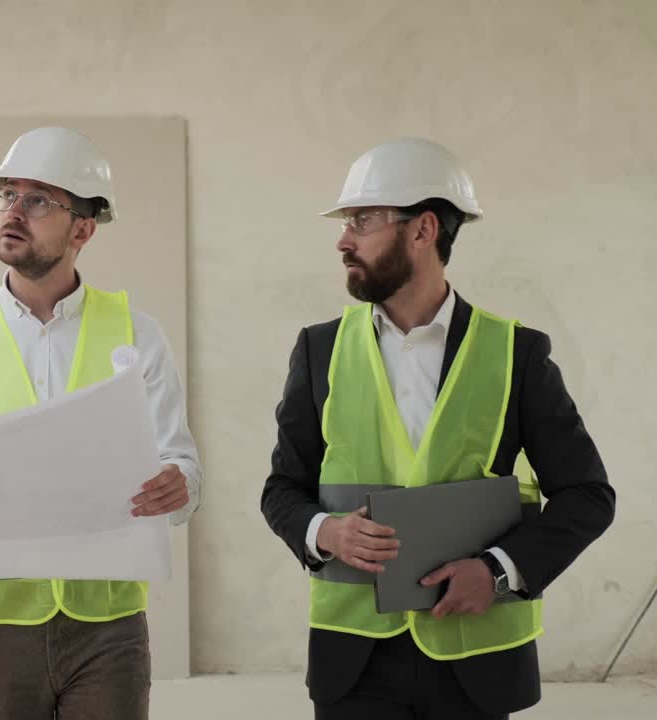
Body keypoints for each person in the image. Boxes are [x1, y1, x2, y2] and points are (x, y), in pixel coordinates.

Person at [260, 138, 615, 719]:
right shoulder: (320, 350)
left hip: (476, 661)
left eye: (363, 220)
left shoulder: (514, 353)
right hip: (354, 662)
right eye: (347, 221)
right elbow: (281, 491)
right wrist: (326, 532)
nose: (343, 239)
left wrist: (499, 572)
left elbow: (587, 496)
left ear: (424, 230)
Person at [0, 126, 202, 719]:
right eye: (7, 194)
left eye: (39, 200)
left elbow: (180, 470)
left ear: (82, 228)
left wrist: (177, 485)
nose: (14, 212)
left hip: (108, 626)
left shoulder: (137, 333)